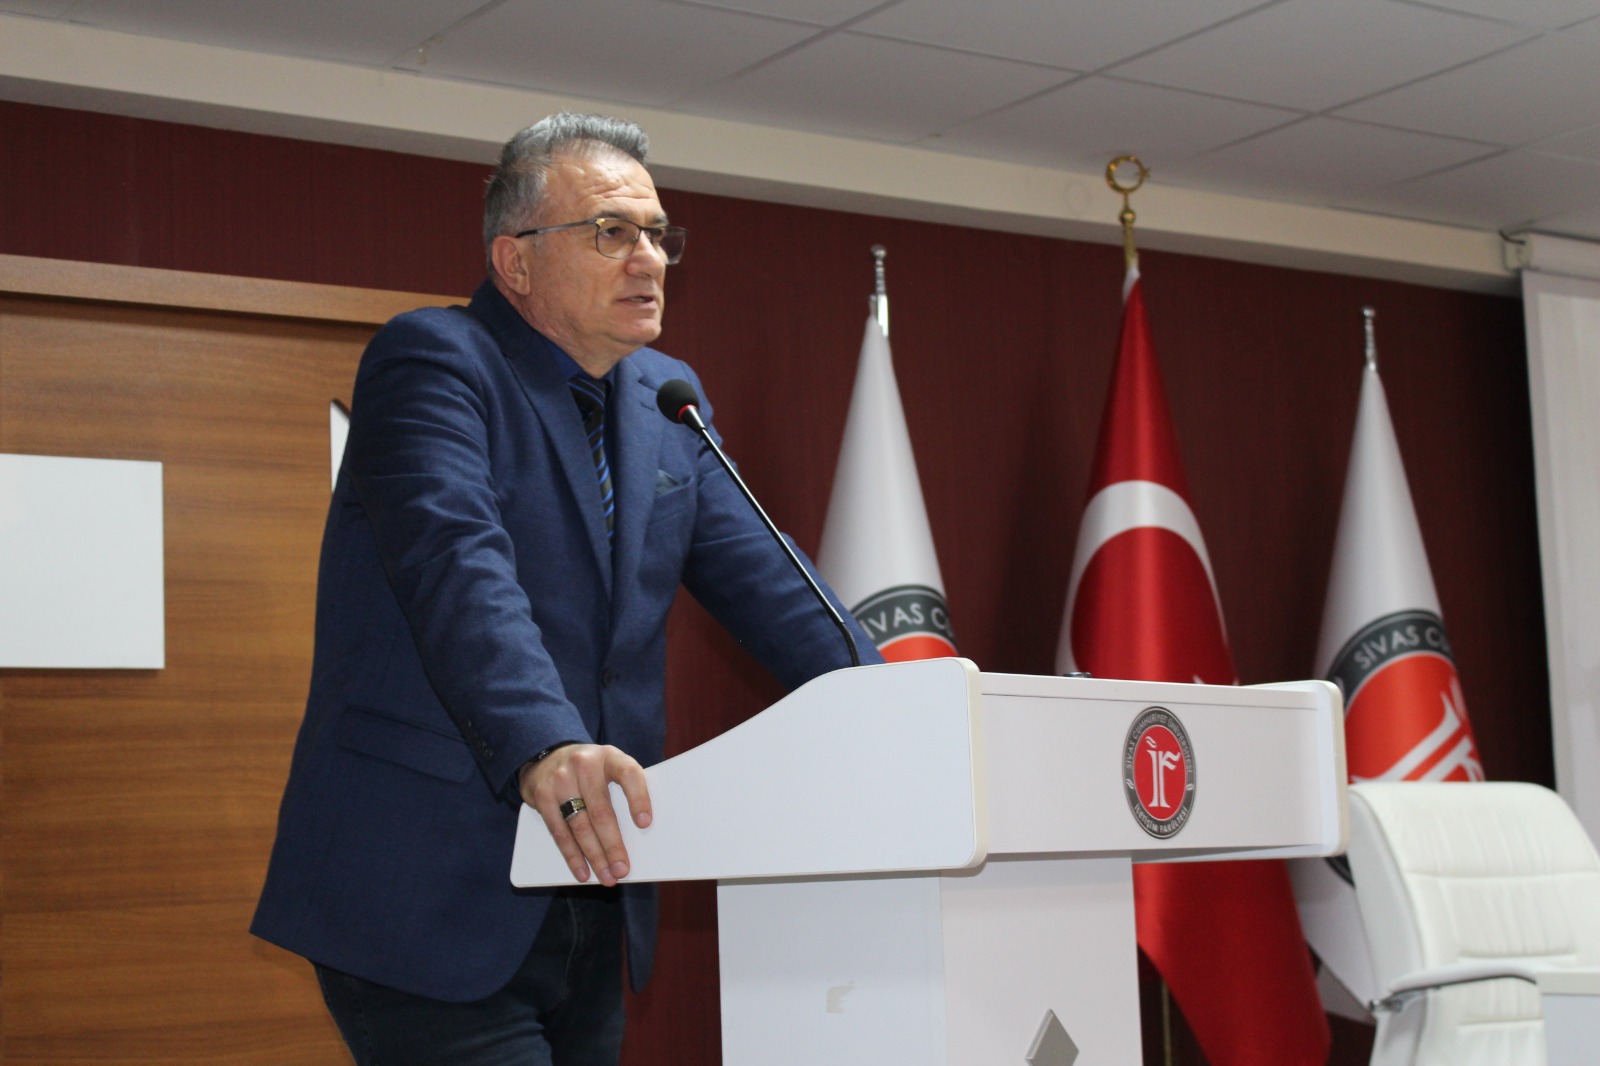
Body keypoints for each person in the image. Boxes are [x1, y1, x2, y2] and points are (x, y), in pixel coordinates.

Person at [251, 112, 880, 1065]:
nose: (649, 259)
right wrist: (545, 742)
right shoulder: (435, 362)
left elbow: (776, 584)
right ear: (516, 261)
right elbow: (456, 567)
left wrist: (911, 705)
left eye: (658, 235)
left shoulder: (666, 400)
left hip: (592, 888)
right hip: (423, 888)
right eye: (611, 232)